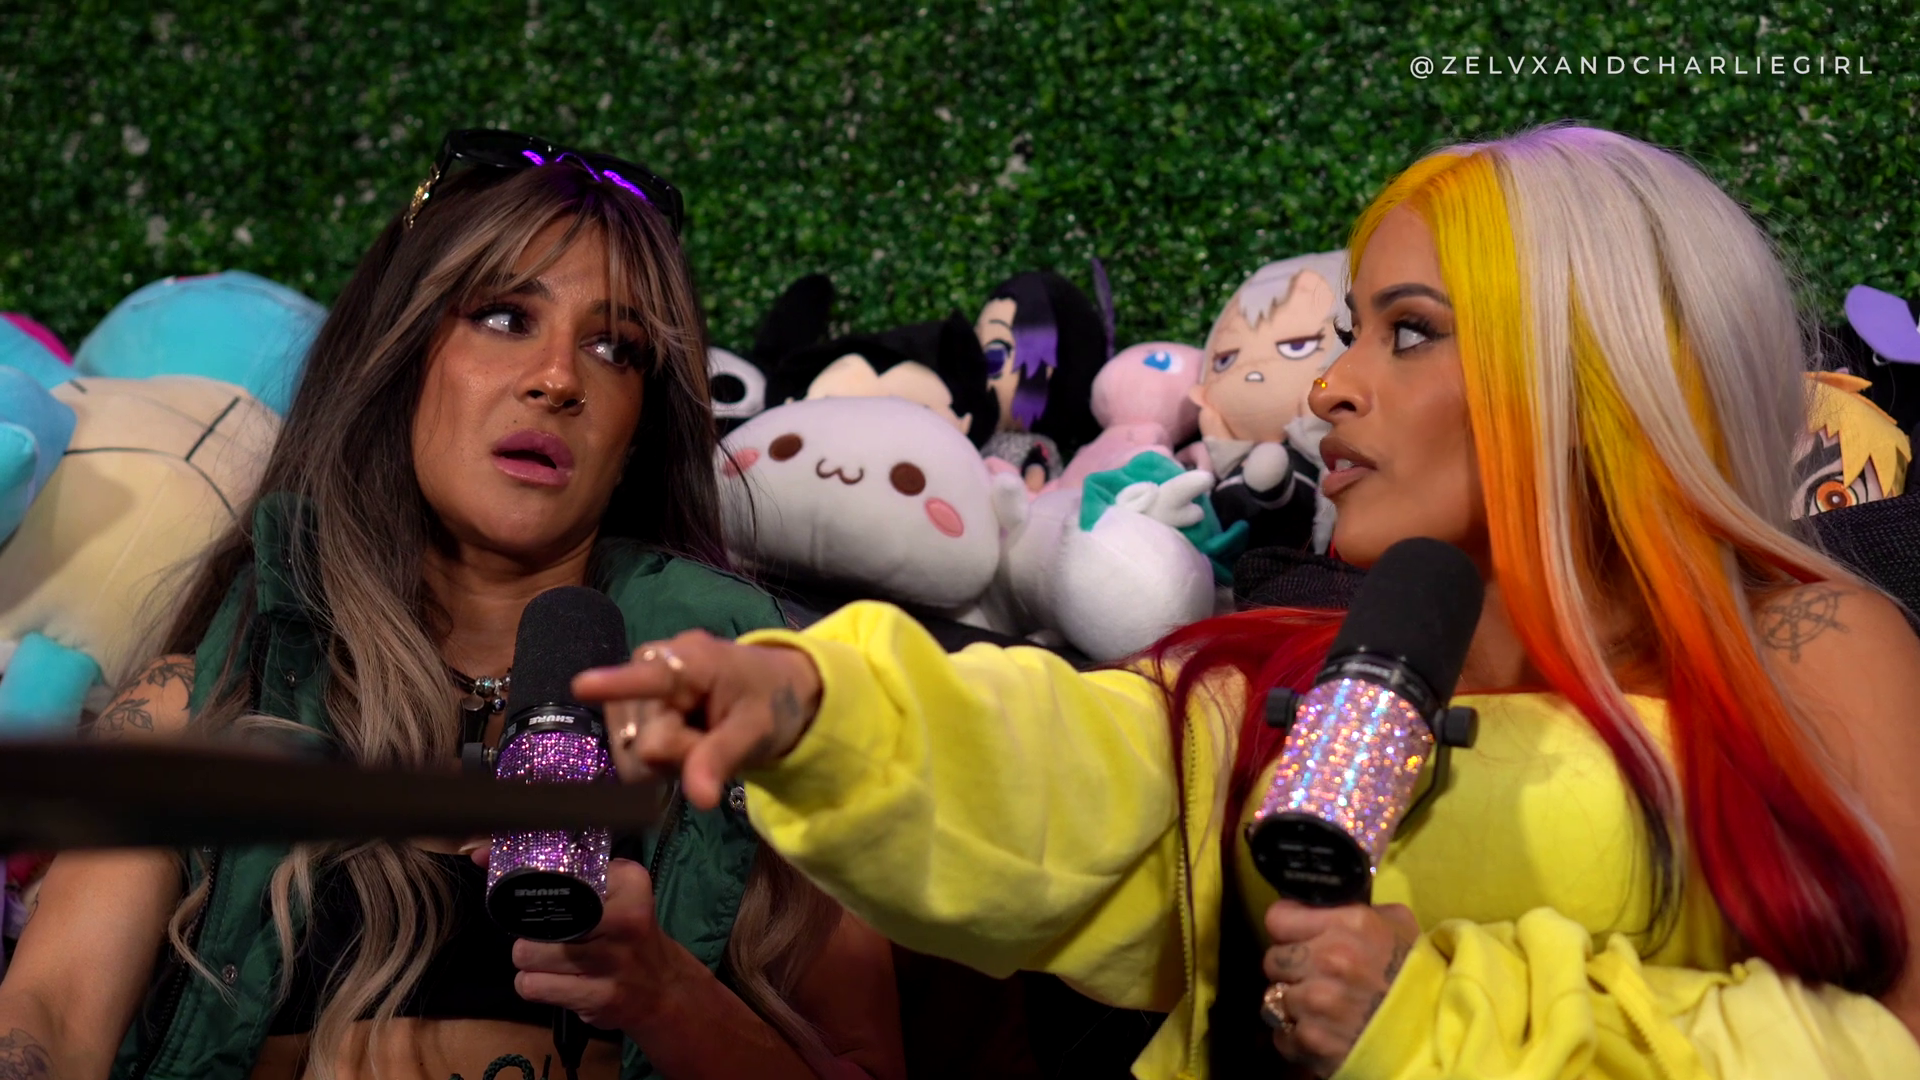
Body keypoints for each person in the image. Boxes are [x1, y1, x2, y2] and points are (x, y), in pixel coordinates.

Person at [578, 125, 1920, 1079]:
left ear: (1586, 368)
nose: (1330, 388)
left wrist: (1441, 1028)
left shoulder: (1802, 639)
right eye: (1350, 335)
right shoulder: (1289, 670)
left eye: (1409, 332)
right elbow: (1073, 770)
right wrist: (815, 700)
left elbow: (1886, 1047)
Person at [0, 130, 903, 1080]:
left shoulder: (764, 707)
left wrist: (668, 996)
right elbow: (51, 1016)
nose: (558, 379)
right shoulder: (204, 702)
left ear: (639, 433)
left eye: (615, 348)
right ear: (402, 359)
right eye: (506, 317)